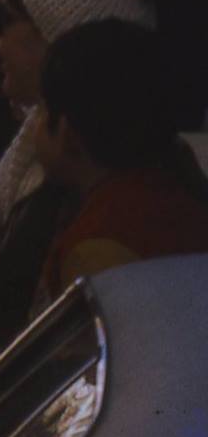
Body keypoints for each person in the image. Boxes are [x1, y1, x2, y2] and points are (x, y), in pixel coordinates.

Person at [27, 20, 208, 304]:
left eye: (41, 109)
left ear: (68, 135)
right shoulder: (184, 193)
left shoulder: (95, 248)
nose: (33, 126)